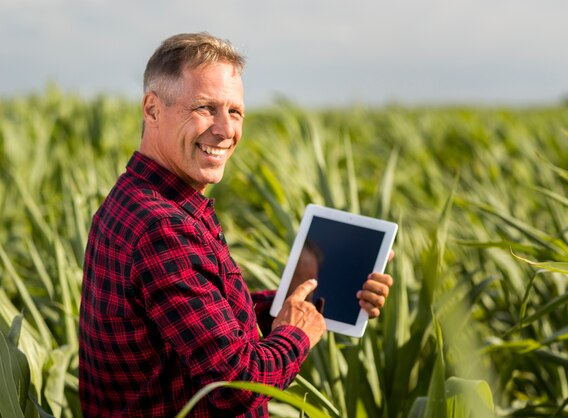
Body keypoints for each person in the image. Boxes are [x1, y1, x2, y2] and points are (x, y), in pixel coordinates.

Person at [78, 32, 394, 418]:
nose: (226, 130)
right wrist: (297, 333)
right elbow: (238, 386)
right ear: (152, 109)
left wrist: (299, 302)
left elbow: (198, 326)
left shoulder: (135, 198)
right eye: (205, 108)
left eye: (235, 112)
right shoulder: (164, 228)